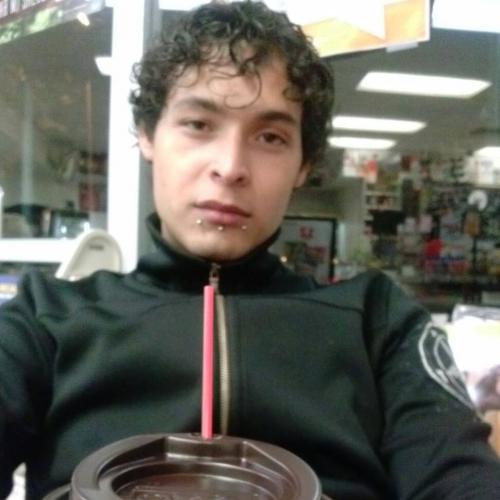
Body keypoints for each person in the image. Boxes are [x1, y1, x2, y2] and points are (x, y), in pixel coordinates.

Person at [1, 1, 500, 498]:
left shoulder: (377, 323)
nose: (231, 166)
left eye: (270, 136)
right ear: (148, 135)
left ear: (304, 166)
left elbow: (460, 478)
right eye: (199, 124)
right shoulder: (46, 320)